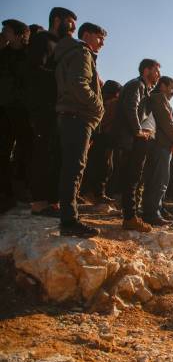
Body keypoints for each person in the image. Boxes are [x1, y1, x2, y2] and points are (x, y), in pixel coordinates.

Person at [55, 22, 106, 237]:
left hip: (73, 116)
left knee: (72, 166)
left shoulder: (74, 52)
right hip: (78, 116)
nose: (102, 42)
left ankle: (69, 215)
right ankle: (69, 221)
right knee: (75, 167)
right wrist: (99, 107)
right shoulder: (82, 53)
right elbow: (79, 84)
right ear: (86, 35)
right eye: (99, 37)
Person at [27, 7, 77, 217]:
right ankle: (39, 202)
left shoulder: (62, 46)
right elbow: (36, 72)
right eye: (70, 23)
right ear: (57, 21)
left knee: (57, 153)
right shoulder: (42, 41)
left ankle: (52, 201)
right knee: (44, 153)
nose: (73, 28)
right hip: (43, 107)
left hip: (58, 108)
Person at [114, 58, 161, 232]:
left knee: (132, 178)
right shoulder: (137, 85)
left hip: (133, 139)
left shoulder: (143, 88)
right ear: (147, 71)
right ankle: (130, 218)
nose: (158, 75)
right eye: (156, 71)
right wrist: (138, 131)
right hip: (132, 139)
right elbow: (130, 107)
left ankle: (130, 215)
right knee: (132, 178)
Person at [0, 19, 31, 210]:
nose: (4, 33)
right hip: (4, 110)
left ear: (19, 34)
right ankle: (6, 194)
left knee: (26, 152)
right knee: (3, 151)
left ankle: (24, 191)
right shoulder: (3, 55)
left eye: (7, 31)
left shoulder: (30, 55)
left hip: (24, 111)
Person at [141, 76, 173, 226]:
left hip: (158, 144)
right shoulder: (159, 98)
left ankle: (154, 211)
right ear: (162, 86)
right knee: (160, 180)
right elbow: (166, 121)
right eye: (172, 88)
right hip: (161, 146)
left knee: (155, 180)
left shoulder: (156, 98)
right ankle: (152, 214)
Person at [82, 80, 121, 203]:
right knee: (104, 167)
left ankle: (90, 193)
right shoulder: (112, 104)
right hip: (104, 138)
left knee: (95, 166)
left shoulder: (99, 101)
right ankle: (96, 195)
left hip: (96, 136)